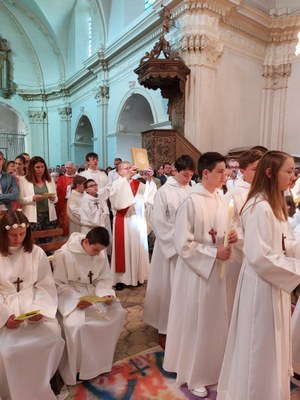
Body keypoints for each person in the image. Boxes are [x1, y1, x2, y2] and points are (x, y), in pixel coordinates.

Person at [217, 150, 300, 400]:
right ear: (270, 173)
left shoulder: (275, 204)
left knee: (272, 341)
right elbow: (260, 256)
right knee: (258, 343)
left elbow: (287, 242)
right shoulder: (258, 206)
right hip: (260, 285)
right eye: (288, 171)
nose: (293, 176)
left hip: (274, 282)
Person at [163, 152, 239, 398]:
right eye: (220, 172)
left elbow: (229, 226)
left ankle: (214, 369)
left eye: (226, 173)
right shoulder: (191, 202)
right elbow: (182, 245)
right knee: (198, 324)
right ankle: (194, 373)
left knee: (215, 324)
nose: (225, 177)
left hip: (217, 273)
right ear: (205, 173)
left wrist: (233, 236)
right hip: (197, 274)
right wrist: (212, 252)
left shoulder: (221, 198)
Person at [0, 211, 64, 400]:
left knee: (52, 337)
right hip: (6, 304)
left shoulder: (36, 253)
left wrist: (41, 310)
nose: (18, 239)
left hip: (32, 302)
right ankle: (14, 392)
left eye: (22, 234)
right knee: (7, 351)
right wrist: (4, 317)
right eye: (13, 235)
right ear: (3, 234)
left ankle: (42, 384)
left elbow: (45, 285)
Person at [52, 227, 125, 386]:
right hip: (71, 295)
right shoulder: (65, 254)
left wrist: (105, 294)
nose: (98, 254)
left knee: (118, 313)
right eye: (95, 249)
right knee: (76, 325)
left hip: (93, 293)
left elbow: (104, 278)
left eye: (101, 250)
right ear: (86, 242)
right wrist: (77, 300)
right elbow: (58, 284)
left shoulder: (100, 252)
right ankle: (78, 369)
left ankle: (100, 362)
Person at [143, 155, 195, 349]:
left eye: (190, 175)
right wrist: (177, 240)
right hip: (170, 249)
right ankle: (164, 327)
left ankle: (182, 323)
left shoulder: (192, 189)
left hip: (188, 247)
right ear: (175, 171)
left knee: (182, 288)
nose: (187, 178)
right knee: (167, 288)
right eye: (184, 174)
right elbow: (158, 221)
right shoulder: (164, 191)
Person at [109, 161, 149, 290]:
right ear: (119, 171)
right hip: (123, 220)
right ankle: (121, 279)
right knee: (124, 248)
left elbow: (149, 198)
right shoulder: (116, 184)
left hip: (136, 221)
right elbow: (115, 200)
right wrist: (126, 179)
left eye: (130, 168)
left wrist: (148, 178)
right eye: (125, 169)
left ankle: (137, 276)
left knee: (136, 247)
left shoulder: (139, 184)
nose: (128, 170)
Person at [18, 156, 58, 234]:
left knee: (48, 241)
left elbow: (56, 198)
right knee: (34, 241)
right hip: (32, 216)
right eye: (37, 167)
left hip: (49, 215)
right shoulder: (23, 180)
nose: (40, 169)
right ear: (32, 168)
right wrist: (32, 198)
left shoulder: (50, 180)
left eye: (42, 167)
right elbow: (20, 200)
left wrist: (53, 198)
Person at [56, 161, 77, 236]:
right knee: (65, 221)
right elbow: (59, 190)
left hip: (76, 202)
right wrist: (69, 187)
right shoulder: (62, 178)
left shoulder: (77, 178)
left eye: (70, 168)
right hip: (66, 203)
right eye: (66, 168)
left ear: (74, 169)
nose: (67, 169)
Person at [0, 150, 19, 216]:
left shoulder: (10, 177)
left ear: (3, 161)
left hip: (7, 212)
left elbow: (15, 196)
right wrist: (6, 196)